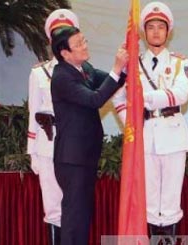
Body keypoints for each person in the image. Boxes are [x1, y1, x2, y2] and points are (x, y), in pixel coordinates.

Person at [112, 1, 188, 238]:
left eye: (161, 27)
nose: (156, 31)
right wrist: (132, 121)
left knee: (170, 201)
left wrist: (142, 98)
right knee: (146, 202)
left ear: (168, 32)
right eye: (151, 27)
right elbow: (117, 97)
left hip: (173, 136)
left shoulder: (180, 63)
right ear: (143, 33)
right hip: (143, 137)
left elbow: (180, 94)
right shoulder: (132, 63)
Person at [50, 25, 128, 245]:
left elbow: (113, 81)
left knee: (82, 216)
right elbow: (95, 99)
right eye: (78, 44)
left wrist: (125, 66)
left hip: (85, 156)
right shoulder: (62, 77)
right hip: (71, 159)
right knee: (74, 217)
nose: (85, 46)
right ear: (65, 53)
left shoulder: (84, 68)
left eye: (84, 40)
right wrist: (116, 67)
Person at [27, 9, 79, 245]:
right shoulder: (39, 73)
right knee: (52, 207)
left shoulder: (83, 71)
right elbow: (33, 114)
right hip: (47, 144)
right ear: (51, 40)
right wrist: (32, 152)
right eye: (56, 34)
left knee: (75, 206)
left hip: (74, 146)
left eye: (65, 34)